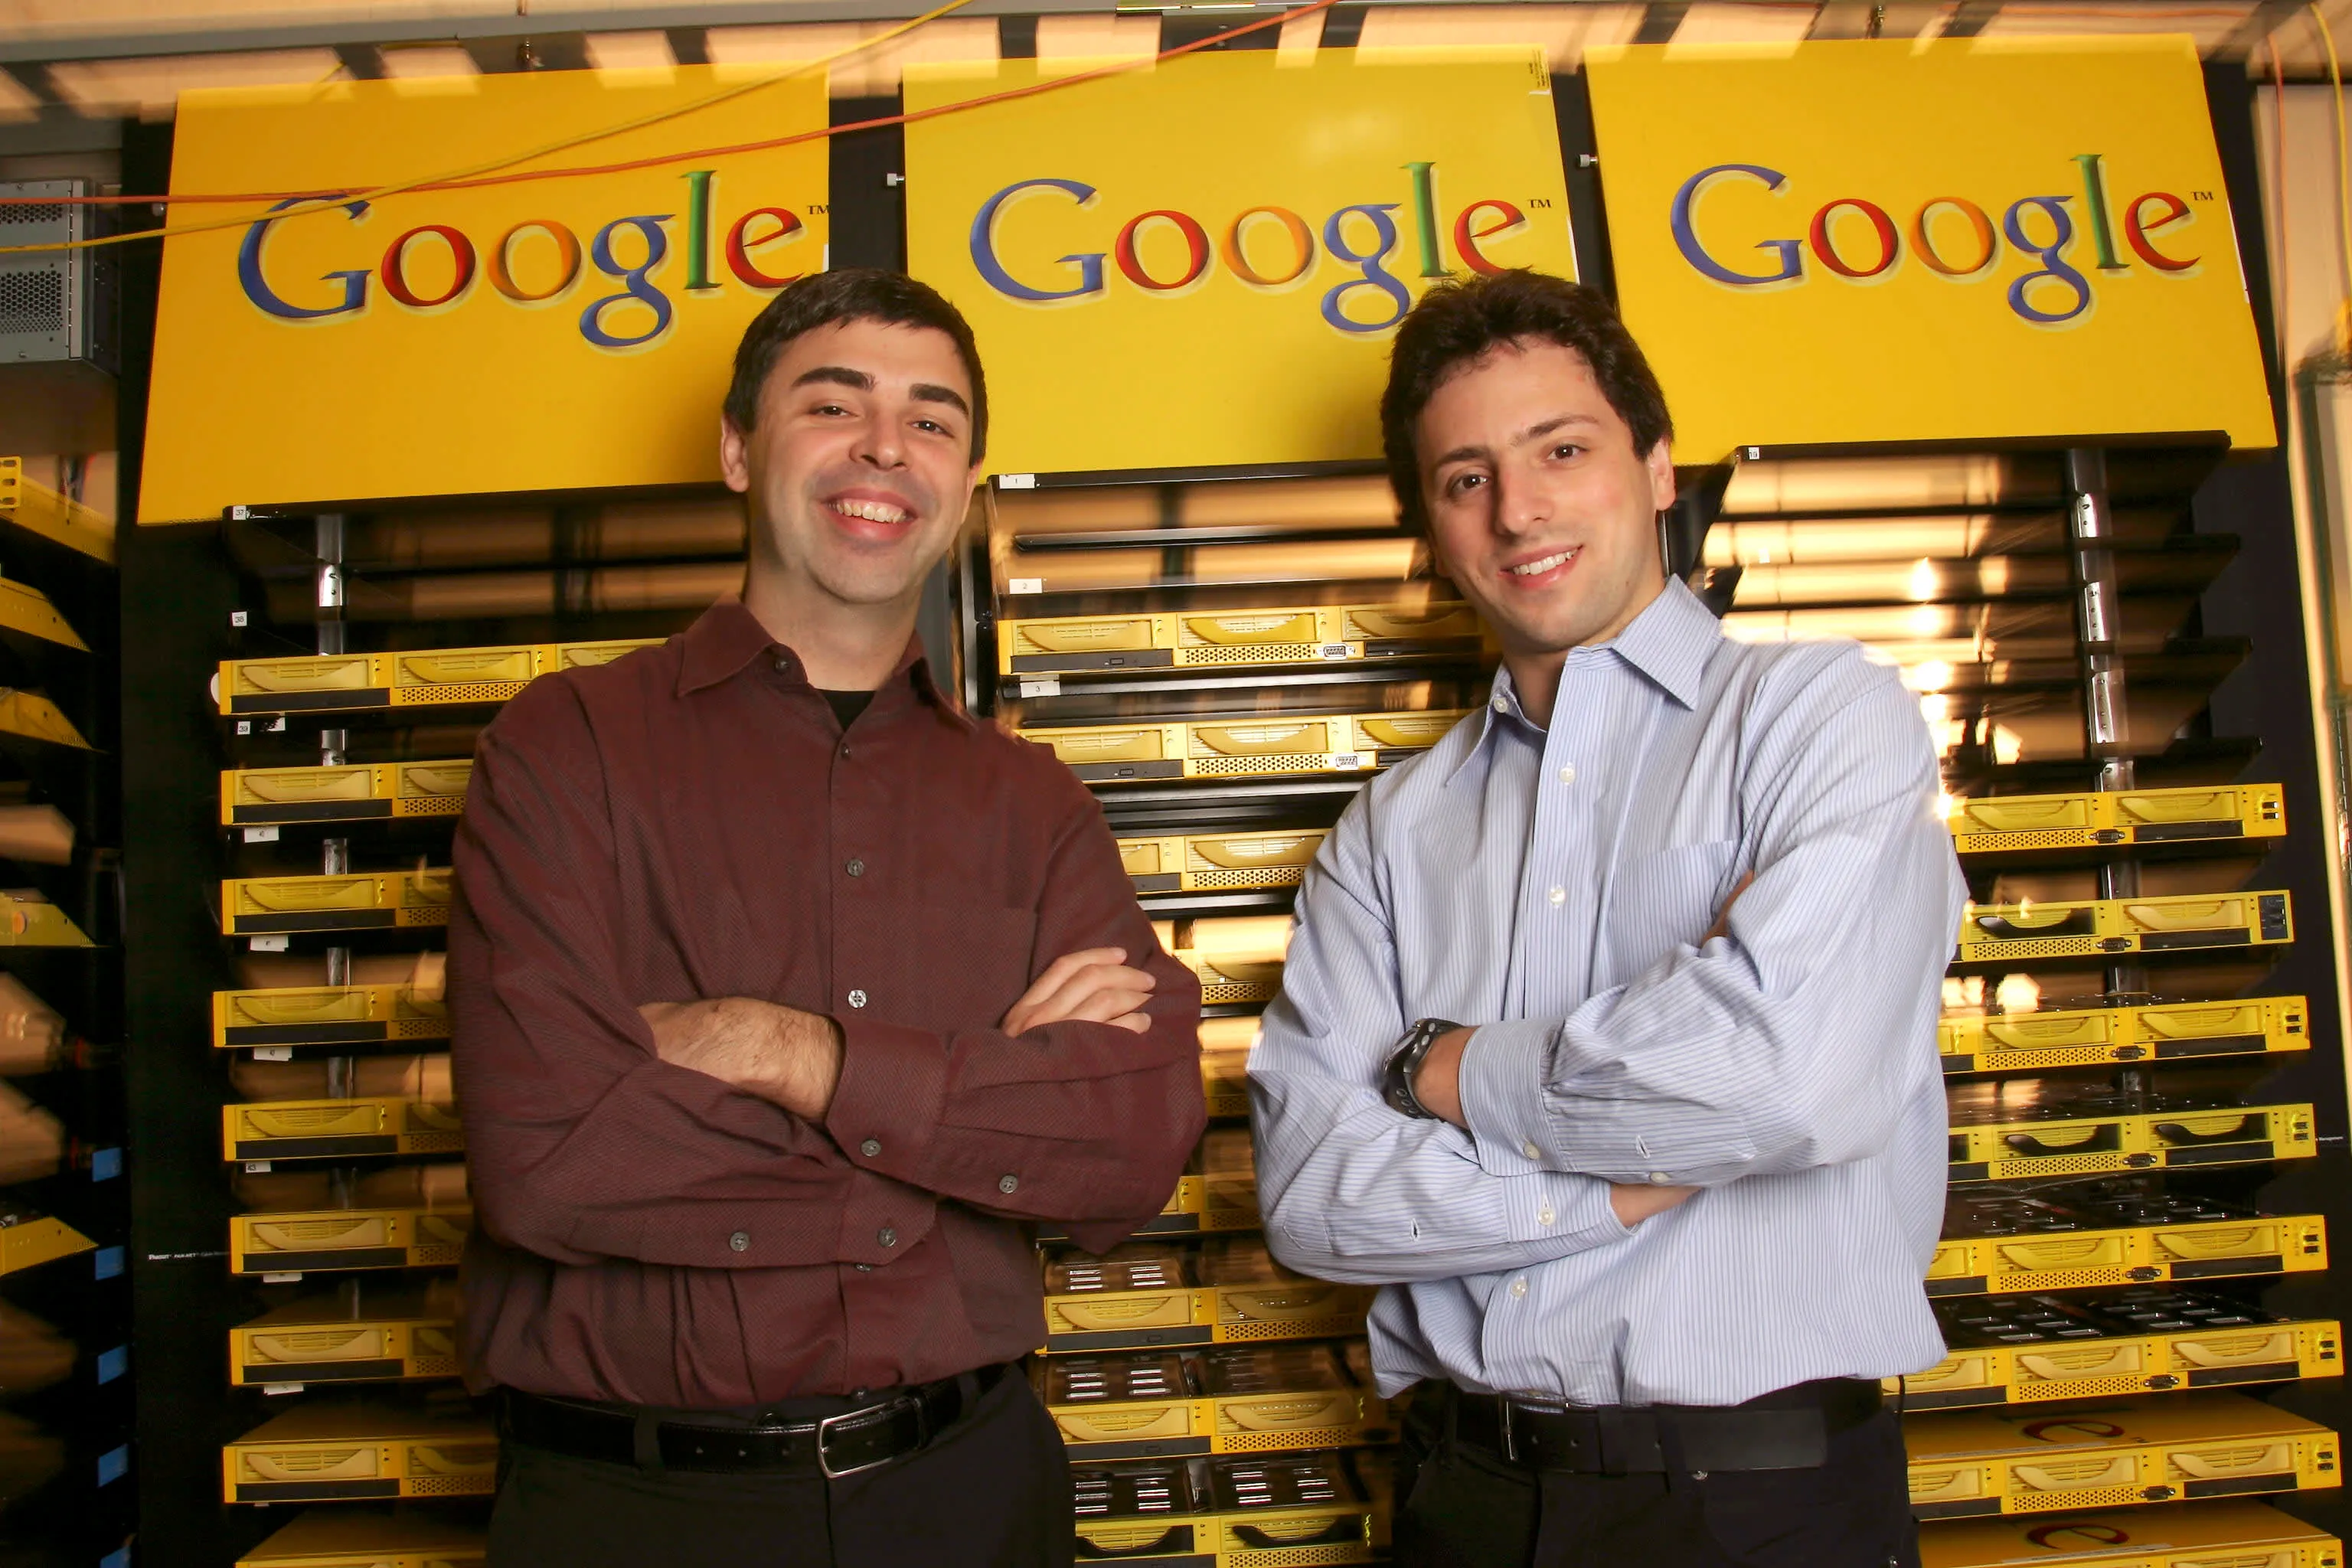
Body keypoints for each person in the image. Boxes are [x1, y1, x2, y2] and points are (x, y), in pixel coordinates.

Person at [449, 268, 1206, 1568]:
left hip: (968, 1493)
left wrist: (779, 1051)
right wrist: (966, 1137)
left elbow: (1131, 1150)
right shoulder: (565, 747)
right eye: (833, 403)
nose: (885, 450)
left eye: (933, 419)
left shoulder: (1033, 803)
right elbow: (548, 1156)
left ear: (966, 480)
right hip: (637, 1518)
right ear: (739, 448)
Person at [1247, 270, 1963, 1568]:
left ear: (1656, 468)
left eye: (1560, 450)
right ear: (1432, 529)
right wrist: (1646, 1170)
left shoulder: (1819, 723)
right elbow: (1311, 1198)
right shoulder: (1391, 833)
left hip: (1767, 1509)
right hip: (1466, 1504)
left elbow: (1790, 1084)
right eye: (1464, 479)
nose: (1518, 509)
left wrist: (1448, 1068)